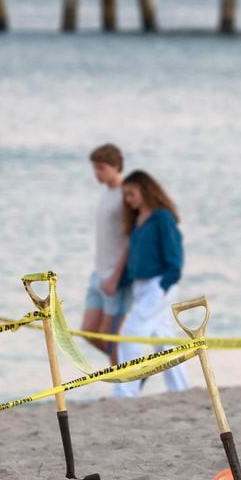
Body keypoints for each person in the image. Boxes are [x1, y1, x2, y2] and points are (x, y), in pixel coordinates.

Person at [113, 170, 190, 398]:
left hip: (159, 285)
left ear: (145, 190)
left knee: (130, 332)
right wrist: (120, 282)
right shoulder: (138, 220)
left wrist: (164, 285)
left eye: (131, 193)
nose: (128, 199)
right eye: (125, 195)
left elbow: (174, 256)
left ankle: (126, 391)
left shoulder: (162, 218)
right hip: (141, 286)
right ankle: (181, 389)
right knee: (163, 341)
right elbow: (138, 258)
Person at [82, 144, 130, 365]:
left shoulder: (125, 195)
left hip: (115, 275)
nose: (96, 173)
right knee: (89, 331)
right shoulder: (106, 193)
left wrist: (116, 276)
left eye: (101, 168)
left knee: (110, 335)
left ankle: (125, 384)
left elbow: (132, 239)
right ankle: (133, 369)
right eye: (94, 168)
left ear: (115, 166)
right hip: (98, 272)